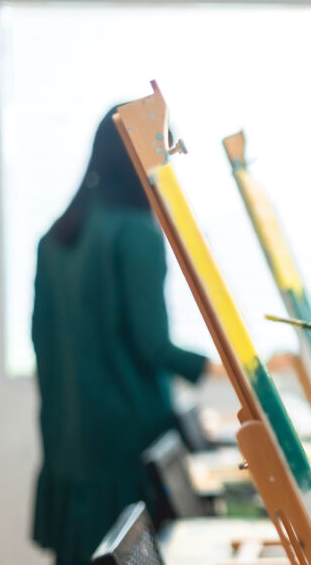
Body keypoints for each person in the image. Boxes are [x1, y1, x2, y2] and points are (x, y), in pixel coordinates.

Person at [31, 107, 221, 565]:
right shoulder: (137, 233)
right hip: (124, 439)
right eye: (165, 152)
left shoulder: (56, 235)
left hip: (67, 439)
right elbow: (152, 343)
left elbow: (42, 343)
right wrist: (233, 369)